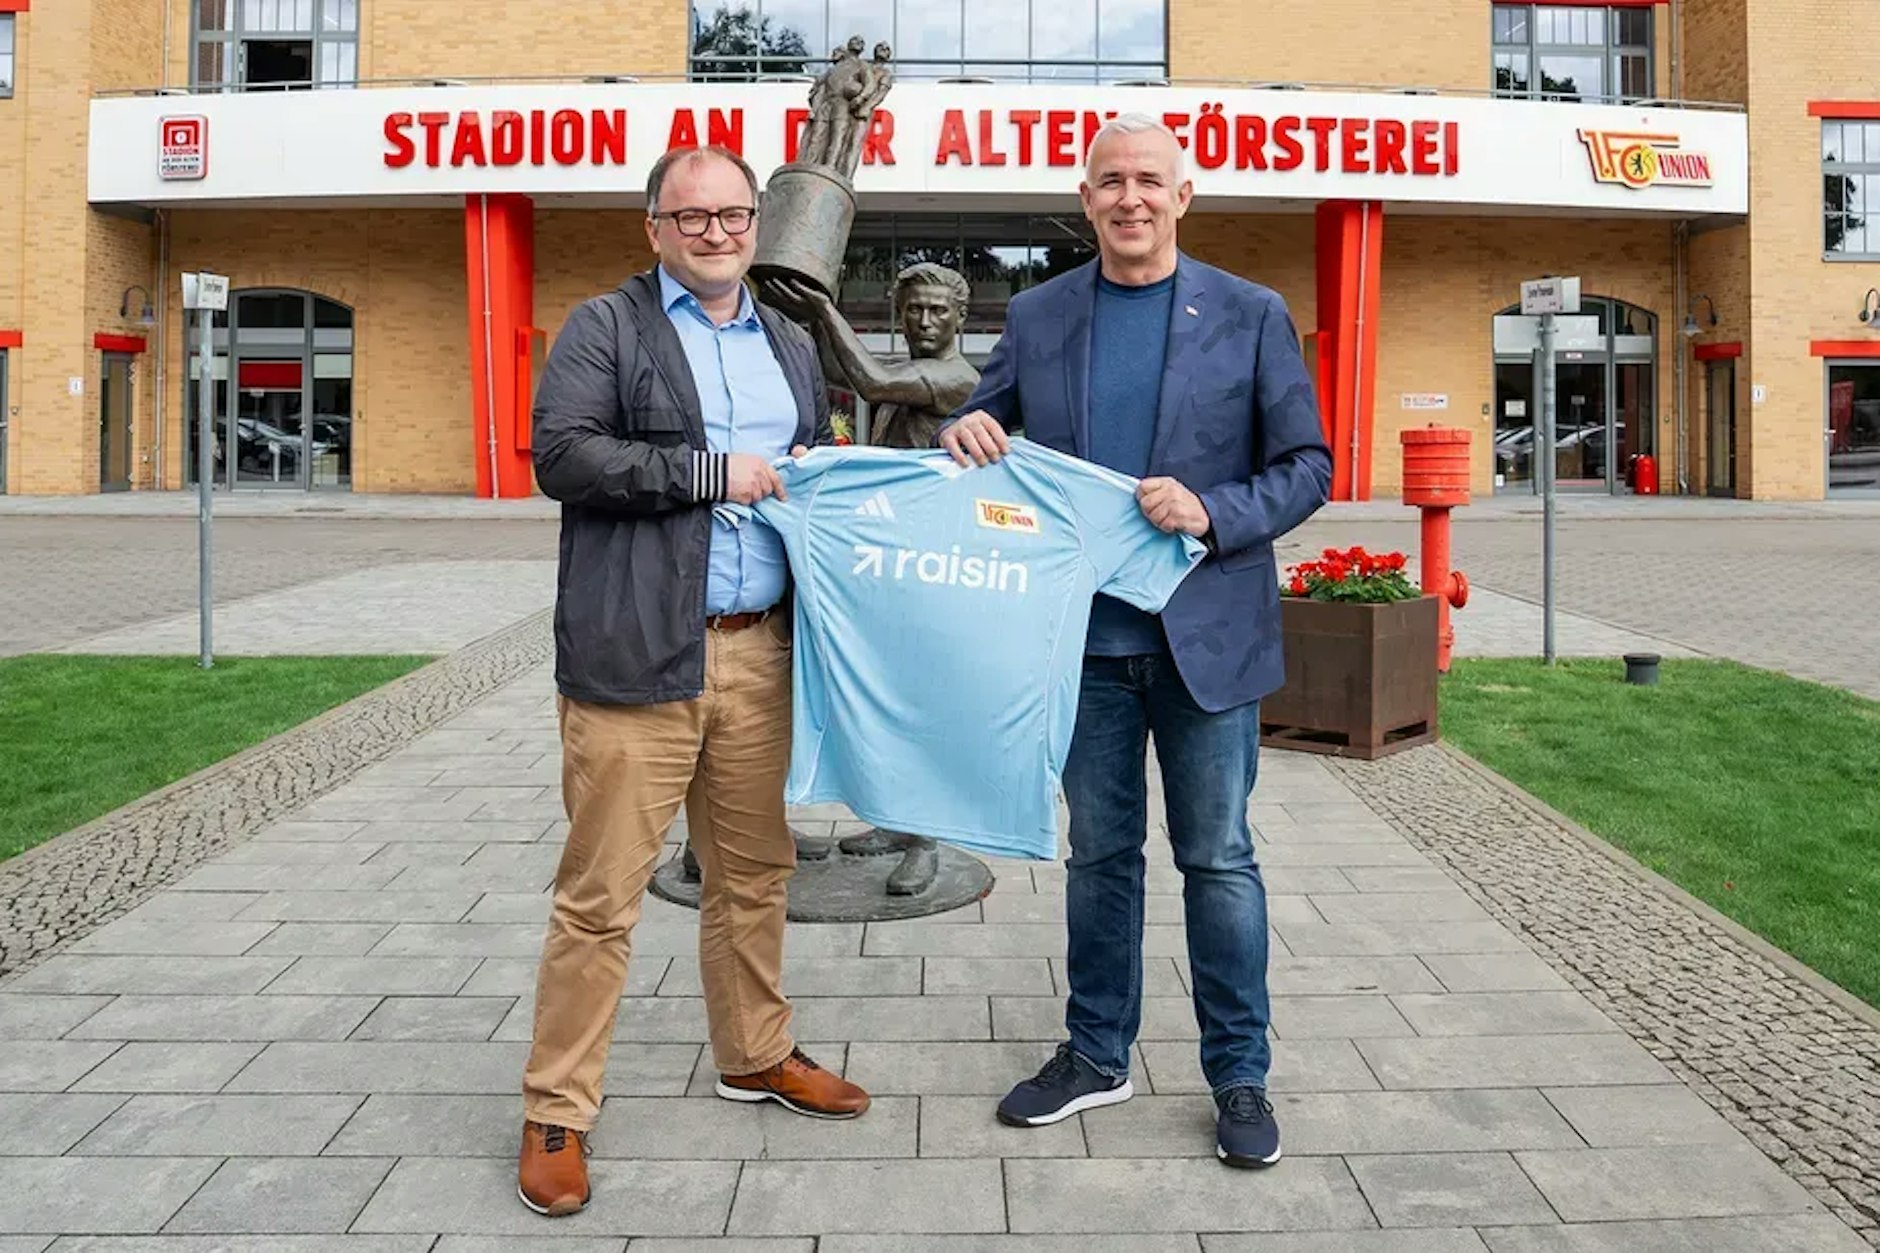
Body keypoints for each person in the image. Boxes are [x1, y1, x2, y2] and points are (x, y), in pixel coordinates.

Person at [938, 113, 1332, 1168]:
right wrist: (962, 428)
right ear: (1085, 197)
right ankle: (1096, 1052)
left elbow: (1305, 466)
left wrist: (1212, 509)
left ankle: (1238, 1074)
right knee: (1098, 855)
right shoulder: (1035, 312)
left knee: (1217, 858)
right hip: (1080, 648)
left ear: (1182, 193)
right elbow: (982, 427)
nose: (1129, 199)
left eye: (1148, 181)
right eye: (1109, 181)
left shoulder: (1250, 314)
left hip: (1206, 645)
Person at [518, 142, 871, 1219]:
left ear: (754, 223)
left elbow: (807, 463)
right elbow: (564, 455)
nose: (715, 233)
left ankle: (754, 1051)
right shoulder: (607, 327)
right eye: (692, 217)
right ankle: (556, 1109)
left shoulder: (786, 337)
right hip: (637, 655)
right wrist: (708, 472)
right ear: (655, 229)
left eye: (732, 214)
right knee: (600, 899)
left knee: (754, 875)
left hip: (757, 651)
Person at [757, 260, 983, 896]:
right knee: (882, 700)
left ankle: (927, 840)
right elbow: (838, 373)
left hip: (932, 567)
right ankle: (893, 819)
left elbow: (871, 376)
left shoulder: (954, 376)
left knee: (919, 704)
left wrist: (824, 309)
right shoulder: (909, 377)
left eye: (939, 310)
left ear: (962, 319)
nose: (925, 321)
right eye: (913, 310)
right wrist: (792, 320)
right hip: (890, 559)